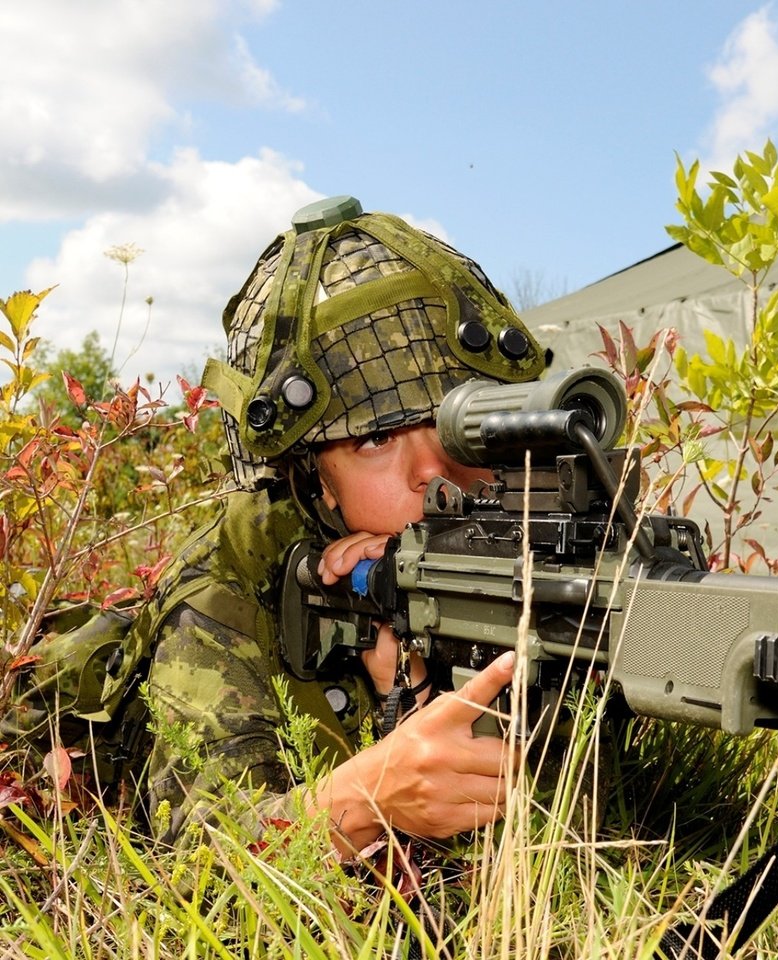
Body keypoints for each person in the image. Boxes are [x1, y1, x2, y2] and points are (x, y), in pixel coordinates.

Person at [137, 195, 547, 854]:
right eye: (377, 440)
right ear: (310, 474)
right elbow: (199, 859)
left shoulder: (531, 530)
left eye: (453, 421)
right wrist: (369, 797)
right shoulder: (227, 585)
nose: (432, 470)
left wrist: (405, 687)